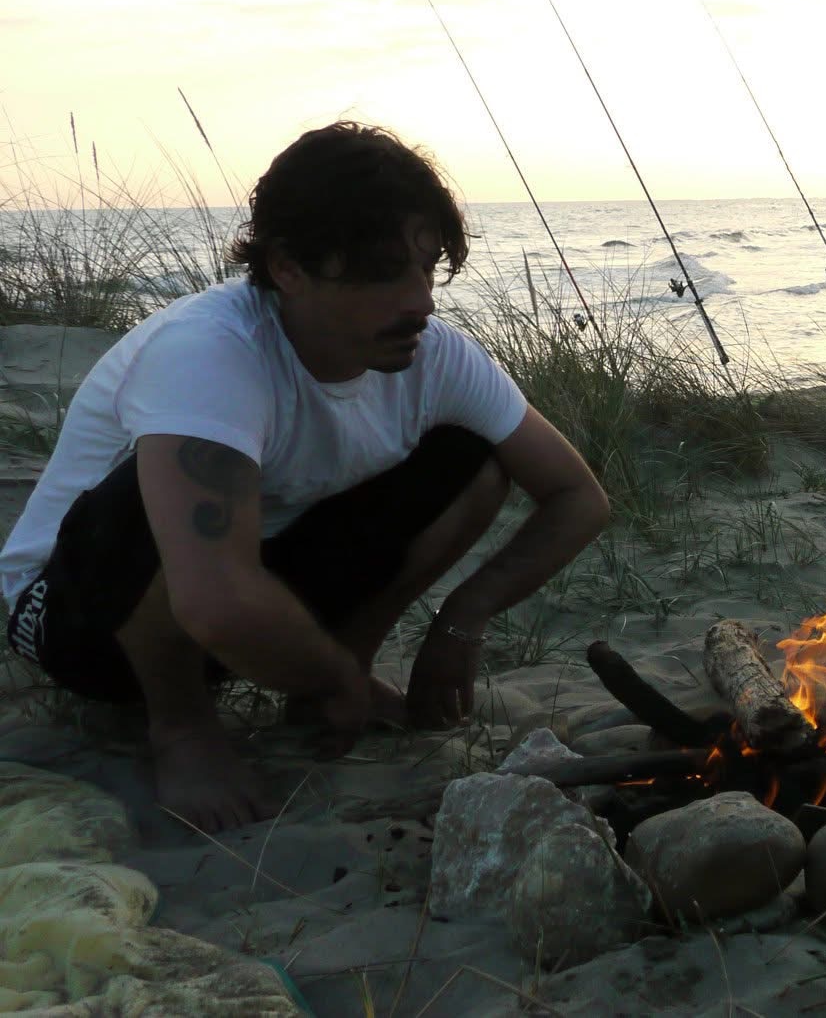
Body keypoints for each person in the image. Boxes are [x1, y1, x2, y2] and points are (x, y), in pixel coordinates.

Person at [0, 121, 611, 832]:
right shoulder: (211, 350)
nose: (421, 301)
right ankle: (182, 725)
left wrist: (461, 618)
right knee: (163, 483)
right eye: (384, 271)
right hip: (81, 618)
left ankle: (336, 664)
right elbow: (216, 600)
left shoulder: (433, 353)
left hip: (234, 583)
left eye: (428, 267)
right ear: (288, 267)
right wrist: (336, 680)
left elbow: (578, 498)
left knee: (473, 460)